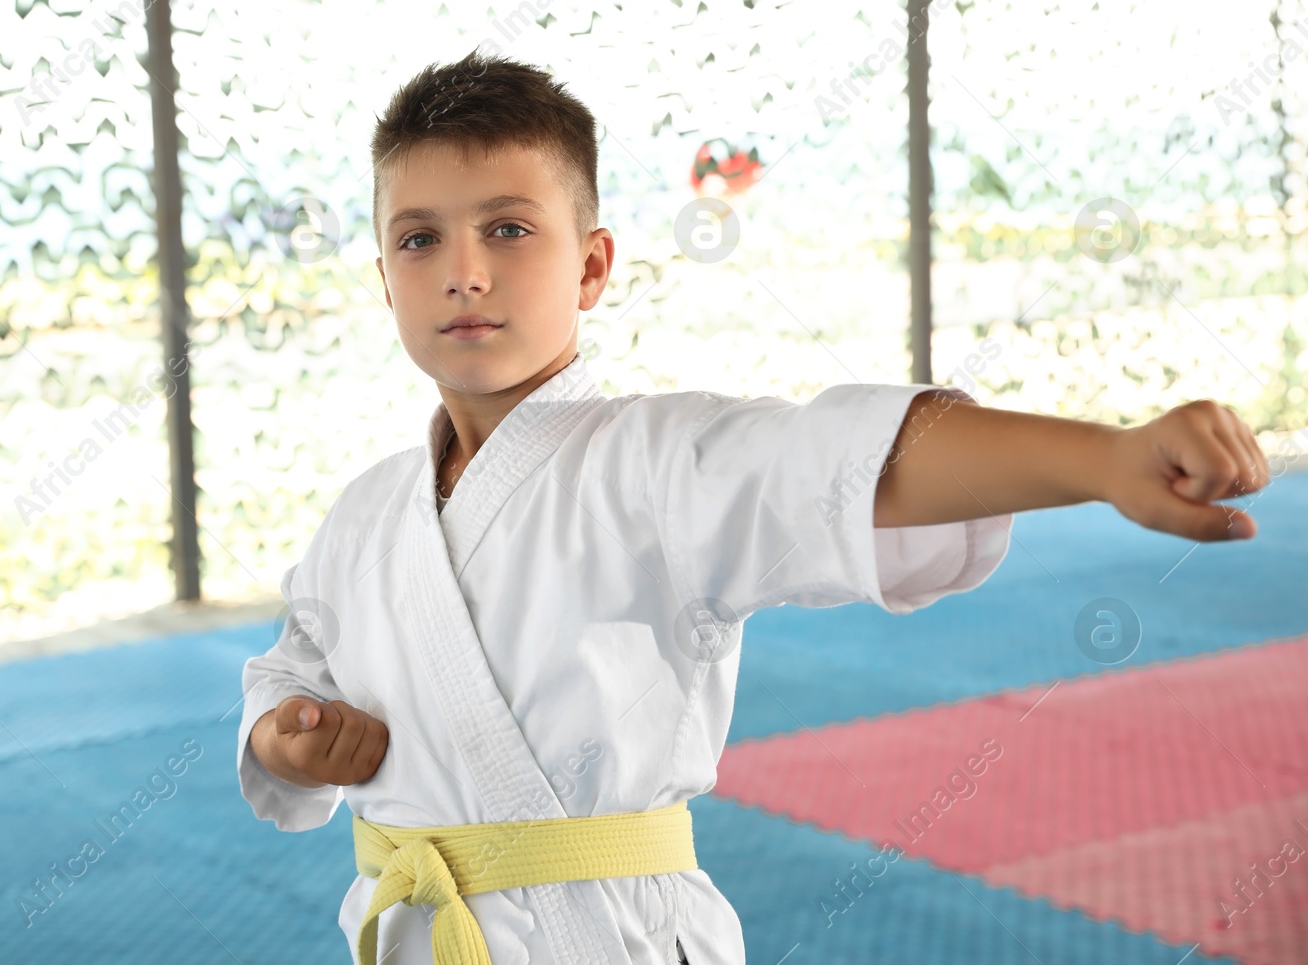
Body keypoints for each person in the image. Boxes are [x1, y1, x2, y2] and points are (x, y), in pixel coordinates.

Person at [236, 49, 1271, 965]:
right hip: (409, 929)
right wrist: (290, 736)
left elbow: (837, 459)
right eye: (419, 240)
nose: (463, 272)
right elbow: (296, 661)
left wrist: (1102, 456)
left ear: (591, 263)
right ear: (383, 278)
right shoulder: (367, 515)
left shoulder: (655, 460)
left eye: (507, 228)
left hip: (611, 934)